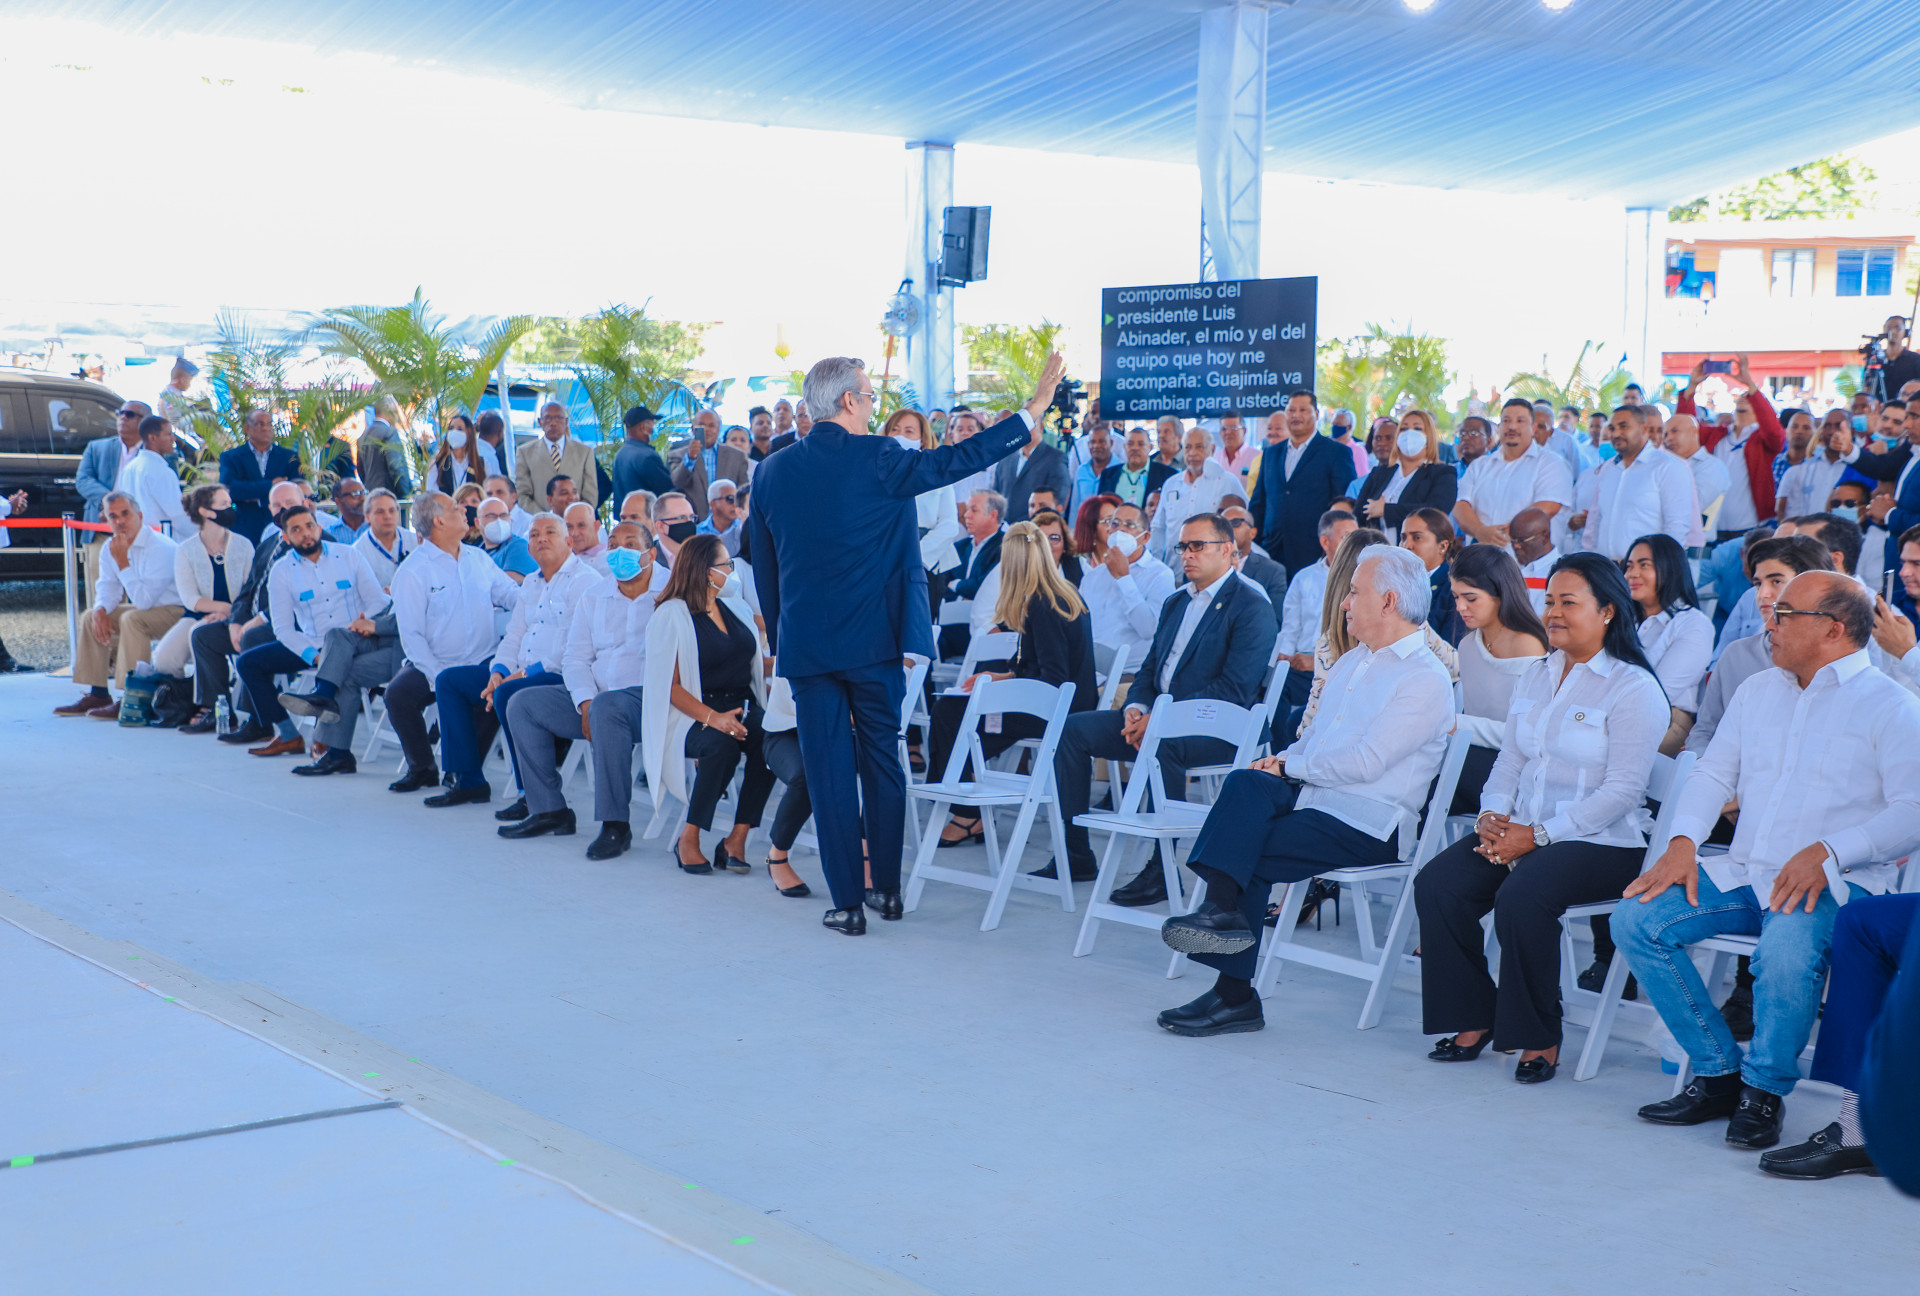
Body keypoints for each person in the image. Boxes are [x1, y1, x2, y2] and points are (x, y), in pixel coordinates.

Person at [748, 352, 1067, 934]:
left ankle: (847, 904)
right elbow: (957, 459)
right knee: (882, 763)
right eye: (870, 396)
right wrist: (1030, 414)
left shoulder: (770, 471)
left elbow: (766, 570)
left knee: (828, 773)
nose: (873, 406)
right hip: (876, 641)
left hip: (808, 646)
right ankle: (888, 891)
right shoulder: (880, 456)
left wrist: (782, 636)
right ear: (849, 401)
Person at [1618, 572, 1920, 1152]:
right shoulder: (1758, 688)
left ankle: (1764, 1091)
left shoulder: (1892, 704)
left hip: (1838, 882)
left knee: (1785, 953)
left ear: (1832, 629)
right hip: (1746, 870)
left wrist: (1832, 850)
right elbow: (1713, 773)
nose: (1769, 623)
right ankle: (1717, 1073)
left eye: (1784, 614)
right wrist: (1682, 842)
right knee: (1637, 919)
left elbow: (1913, 810)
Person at [1152, 546, 1454, 1036]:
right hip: (1317, 799)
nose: (1344, 602)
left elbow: (1366, 763)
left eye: (1354, 592)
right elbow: (1314, 740)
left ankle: (1233, 989)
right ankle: (1221, 917)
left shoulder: (1425, 678)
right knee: (1246, 782)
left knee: (1246, 847)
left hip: (1369, 821)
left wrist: (1289, 764)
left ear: (1389, 601)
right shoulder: (1354, 662)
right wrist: (1281, 762)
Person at [1414, 553, 1667, 1082]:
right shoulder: (1537, 674)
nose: (1552, 612)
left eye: (1568, 602)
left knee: (1522, 896)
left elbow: (1624, 791)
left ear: (1607, 611)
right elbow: (1511, 760)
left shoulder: (1633, 687)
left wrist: (1540, 835)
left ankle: (1538, 1033)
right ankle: (1473, 1015)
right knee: (1439, 884)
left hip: (1603, 843)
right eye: (1549, 601)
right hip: (1522, 830)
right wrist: (1490, 816)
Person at [1051, 513, 1278, 891]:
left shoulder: (1252, 606)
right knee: (1073, 730)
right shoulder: (1176, 602)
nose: (1187, 554)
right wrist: (1136, 708)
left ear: (1227, 550)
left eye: (1197, 546)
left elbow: (1233, 689)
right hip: (1158, 717)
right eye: (1183, 546)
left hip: (1220, 727)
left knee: (1164, 744)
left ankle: (1162, 868)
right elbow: (1150, 668)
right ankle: (1076, 853)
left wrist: (1160, 719)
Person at [500, 522, 672, 858]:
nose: (620, 551)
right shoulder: (595, 595)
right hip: (597, 699)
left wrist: (597, 704)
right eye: (613, 544)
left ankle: (615, 824)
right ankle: (549, 810)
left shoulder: (673, 590)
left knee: (608, 707)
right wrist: (584, 701)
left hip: (650, 701)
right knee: (522, 703)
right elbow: (575, 657)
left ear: (651, 554)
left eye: (630, 544)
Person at [929, 522, 1097, 846]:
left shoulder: (1044, 604)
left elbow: (1053, 679)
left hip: (1055, 712)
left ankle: (965, 809)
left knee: (949, 713)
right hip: (1061, 704)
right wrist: (1001, 678)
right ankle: (966, 794)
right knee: (954, 711)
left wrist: (1000, 691)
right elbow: (1041, 668)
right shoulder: (1059, 593)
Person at [428, 512, 595, 810]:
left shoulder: (585, 581)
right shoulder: (531, 582)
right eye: (534, 535)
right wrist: (498, 671)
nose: (541, 539)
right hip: (516, 674)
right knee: (450, 681)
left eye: (550, 532)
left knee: (508, 692)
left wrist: (521, 675)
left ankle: (529, 793)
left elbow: (575, 647)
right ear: (528, 547)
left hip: (560, 675)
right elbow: (514, 634)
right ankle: (468, 781)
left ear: (569, 542)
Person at [641, 534, 777, 875]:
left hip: (742, 704)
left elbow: (751, 663)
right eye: (725, 564)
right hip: (692, 713)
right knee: (722, 746)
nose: (732, 570)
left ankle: (736, 838)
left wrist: (788, 661)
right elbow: (669, 687)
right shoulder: (671, 615)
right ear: (705, 571)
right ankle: (689, 836)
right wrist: (713, 718)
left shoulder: (735, 606)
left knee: (771, 740)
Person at [384, 491, 522, 793]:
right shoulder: (412, 571)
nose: (465, 511)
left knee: (495, 691)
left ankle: (463, 772)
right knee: (397, 695)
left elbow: (511, 595)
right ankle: (422, 768)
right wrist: (439, 677)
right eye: (456, 508)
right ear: (438, 521)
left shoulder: (478, 558)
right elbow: (412, 637)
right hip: (434, 663)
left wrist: (544, 595)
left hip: (483, 660)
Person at [231, 504, 387, 758]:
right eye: (296, 530)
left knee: (337, 662)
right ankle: (288, 735)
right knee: (248, 663)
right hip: (314, 643)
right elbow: (283, 628)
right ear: (286, 537)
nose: (305, 533)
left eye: (309, 526)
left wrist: (362, 623)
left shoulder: (349, 555)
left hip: (354, 639)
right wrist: (312, 656)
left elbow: (378, 602)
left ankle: (324, 736)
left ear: (319, 528)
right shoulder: (281, 571)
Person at [180, 482, 305, 739]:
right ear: (269, 509)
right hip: (251, 621)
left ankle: (259, 721)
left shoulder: (311, 543)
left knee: (252, 638)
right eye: (277, 505)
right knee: (203, 635)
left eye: (290, 504)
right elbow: (248, 590)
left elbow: (297, 597)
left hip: (287, 626)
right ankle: (219, 710)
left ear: (305, 504)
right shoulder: (268, 543)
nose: (283, 510)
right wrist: (236, 621)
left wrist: (254, 622)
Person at [54, 492, 184, 719]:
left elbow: (143, 601)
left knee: (132, 619)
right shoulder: (110, 547)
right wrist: (101, 609)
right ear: (106, 519)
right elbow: (108, 587)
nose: (120, 521)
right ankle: (98, 693)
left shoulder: (160, 547)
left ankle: (131, 698)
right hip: (148, 609)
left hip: (177, 612)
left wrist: (123, 562)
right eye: (113, 516)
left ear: (139, 516)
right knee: (91, 616)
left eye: (126, 514)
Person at [1447, 544, 1548, 812]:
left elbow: (1530, 738)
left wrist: (1457, 724)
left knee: (1424, 775)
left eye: (1470, 598)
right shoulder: (1468, 646)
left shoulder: (1530, 647)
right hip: (1472, 756)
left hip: (1517, 772)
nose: (1460, 607)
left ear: (1500, 594)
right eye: (1455, 597)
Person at [151, 484, 254, 689]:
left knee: (207, 637)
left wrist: (232, 613)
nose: (230, 509)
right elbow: (190, 598)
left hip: (241, 616)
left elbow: (250, 590)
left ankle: (217, 696)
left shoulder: (244, 545)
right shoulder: (185, 550)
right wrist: (222, 609)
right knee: (164, 659)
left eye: (230, 504)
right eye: (224, 504)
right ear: (205, 512)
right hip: (199, 616)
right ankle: (186, 696)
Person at [1248, 391, 1359, 579]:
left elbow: (1344, 504)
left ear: (1316, 414)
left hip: (1314, 550)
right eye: (1291, 410)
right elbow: (1259, 503)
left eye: (1303, 410)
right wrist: (1255, 543)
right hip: (1271, 548)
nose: (1296, 415)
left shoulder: (1336, 452)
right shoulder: (1271, 454)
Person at [1677, 356, 1785, 541]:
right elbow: (1684, 427)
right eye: (1741, 397)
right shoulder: (1717, 435)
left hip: (1750, 528)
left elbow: (1773, 430)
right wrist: (1692, 386)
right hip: (1711, 528)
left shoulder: (1762, 440)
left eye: (1749, 398)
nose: (1744, 399)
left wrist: (1749, 384)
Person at [1573, 405, 1697, 558]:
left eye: (1623, 427)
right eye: (1612, 428)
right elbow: (1595, 521)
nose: (1616, 433)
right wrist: (1591, 558)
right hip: (1607, 567)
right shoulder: (1608, 469)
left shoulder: (1668, 467)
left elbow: (1676, 527)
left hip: (1647, 569)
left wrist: (1659, 566)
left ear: (1644, 429)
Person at [1453, 398, 1574, 552]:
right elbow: (1461, 505)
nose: (1512, 426)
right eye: (1506, 420)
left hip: (1528, 561)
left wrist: (1499, 535)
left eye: (1520, 421)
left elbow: (1547, 508)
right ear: (1499, 427)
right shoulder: (1479, 466)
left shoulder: (1552, 463)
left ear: (1533, 428)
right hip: (1480, 558)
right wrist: (1479, 531)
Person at [1275, 510, 1358, 729]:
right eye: (1346, 537)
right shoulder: (1304, 577)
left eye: (1355, 536)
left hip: (1342, 667)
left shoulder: (1362, 579)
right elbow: (1291, 627)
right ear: (1325, 542)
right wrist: (1284, 657)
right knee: (1273, 685)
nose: (1353, 543)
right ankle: (1277, 748)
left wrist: (1316, 661)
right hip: (1300, 666)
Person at [1076, 497, 1176, 672]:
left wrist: (1123, 579)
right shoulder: (1092, 577)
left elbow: (1149, 630)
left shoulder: (1160, 575)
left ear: (1145, 537)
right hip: (1087, 670)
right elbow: (1079, 625)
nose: (1120, 530)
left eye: (1129, 525)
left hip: (1129, 674)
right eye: (1114, 524)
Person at [1357, 409, 1456, 543]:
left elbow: (1436, 511)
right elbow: (1359, 512)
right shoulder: (1379, 473)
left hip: (1416, 551)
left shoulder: (1442, 473)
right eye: (1404, 429)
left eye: (1417, 428)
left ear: (1429, 435)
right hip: (1376, 550)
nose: (1409, 434)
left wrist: (1386, 510)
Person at [1148, 424, 1237, 562]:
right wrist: (1156, 563)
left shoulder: (1227, 482)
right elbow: (1158, 528)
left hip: (1211, 568)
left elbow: (1239, 526)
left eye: (1199, 447)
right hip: (1173, 567)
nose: (1192, 453)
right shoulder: (1171, 484)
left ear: (1212, 449)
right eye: (1188, 447)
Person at [938, 489, 1008, 658]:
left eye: (974, 510)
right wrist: (963, 591)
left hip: (987, 630)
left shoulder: (1007, 547)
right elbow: (940, 586)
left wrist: (955, 585)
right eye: (968, 509)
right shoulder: (958, 547)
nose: (966, 515)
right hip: (951, 628)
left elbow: (984, 586)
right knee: (924, 646)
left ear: (993, 515)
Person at [218, 408, 303, 544]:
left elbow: (297, 488)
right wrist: (271, 485)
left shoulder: (288, 457)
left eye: (269, 424)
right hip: (245, 527)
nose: (266, 428)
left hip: (282, 525)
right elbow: (230, 489)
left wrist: (251, 494)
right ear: (247, 428)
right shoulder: (231, 457)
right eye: (260, 424)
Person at [76, 399, 154, 528]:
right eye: (120, 413)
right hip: (101, 526)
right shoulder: (96, 448)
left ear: (146, 422)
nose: (123, 417)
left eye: (130, 414)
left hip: (141, 527)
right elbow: (83, 480)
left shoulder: (154, 453)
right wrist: (110, 501)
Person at [116, 416, 195, 536]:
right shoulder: (162, 471)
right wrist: (199, 535)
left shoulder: (129, 468)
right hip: (163, 539)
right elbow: (176, 514)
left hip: (136, 538)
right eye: (168, 434)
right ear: (152, 438)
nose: (173, 439)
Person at [991, 403, 1070, 525]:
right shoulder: (1006, 458)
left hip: (1037, 529)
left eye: (1031, 423)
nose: (1025, 429)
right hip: (1004, 531)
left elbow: (1059, 500)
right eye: (1022, 424)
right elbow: (995, 497)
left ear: (1041, 427)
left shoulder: (1055, 458)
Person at [515, 403, 598, 512]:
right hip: (540, 518)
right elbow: (522, 494)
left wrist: (576, 515)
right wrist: (544, 517)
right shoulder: (525, 452)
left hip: (575, 518)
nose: (553, 423)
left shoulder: (584, 452)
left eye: (558, 418)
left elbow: (590, 494)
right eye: (548, 418)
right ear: (540, 422)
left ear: (566, 422)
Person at [1399, 507, 1464, 645]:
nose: (1406, 545)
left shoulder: (1454, 588)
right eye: (1403, 538)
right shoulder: (1394, 582)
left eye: (1417, 537)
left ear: (1443, 546)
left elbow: (1452, 647)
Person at [669, 408, 749, 521]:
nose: (707, 429)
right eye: (701, 425)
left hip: (729, 523)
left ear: (719, 428)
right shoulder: (678, 454)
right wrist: (690, 458)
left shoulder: (737, 456)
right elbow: (677, 483)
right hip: (693, 521)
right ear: (693, 428)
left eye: (711, 425)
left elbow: (743, 492)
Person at [1662, 412, 1731, 540]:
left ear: (1693, 432)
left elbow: (1692, 507)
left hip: (1696, 548)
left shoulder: (1711, 467)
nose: (1668, 438)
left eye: (1674, 431)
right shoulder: (1667, 466)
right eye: (1665, 434)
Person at [1777, 409, 1854, 522]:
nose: (1832, 431)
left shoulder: (1860, 469)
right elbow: (1783, 512)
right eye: (1827, 426)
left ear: (1851, 431)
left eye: (1838, 426)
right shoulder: (1800, 470)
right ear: (1821, 432)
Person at [1224, 504, 1287, 610]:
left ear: (1252, 533)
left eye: (1235, 523)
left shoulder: (1272, 571)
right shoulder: (1205, 565)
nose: (1228, 529)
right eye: (1222, 525)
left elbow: (1275, 616)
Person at [1098, 426, 1175, 512]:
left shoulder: (1167, 475)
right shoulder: (1108, 475)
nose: (1135, 448)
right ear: (1124, 447)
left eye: (1141, 444)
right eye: (1130, 444)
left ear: (1150, 447)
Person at [351, 488, 415, 590]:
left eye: (392, 511)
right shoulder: (357, 552)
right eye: (380, 512)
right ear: (367, 517)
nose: (387, 516)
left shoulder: (415, 542)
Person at [611, 404, 674, 504]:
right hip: (644, 511)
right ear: (643, 427)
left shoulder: (620, 454)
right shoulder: (647, 456)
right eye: (652, 425)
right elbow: (666, 490)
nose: (654, 429)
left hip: (625, 511)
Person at [475, 497, 537, 582]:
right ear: (477, 523)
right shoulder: (476, 552)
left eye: (503, 516)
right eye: (491, 516)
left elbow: (505, 585)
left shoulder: (519, 546)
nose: (499, 521)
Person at [1508, 506, 1557, 614]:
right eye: (1513, 540)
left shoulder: (1562, 572)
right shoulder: (1508, 569)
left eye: (1522, 540)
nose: (1516, 546)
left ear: (1545, 536)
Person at [356, 418, 413, 499]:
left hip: (371, 494)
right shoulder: (389, 432)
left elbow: (360, 468)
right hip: (390, 494)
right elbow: (395, 465)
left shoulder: (363, 436)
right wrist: (406, 494)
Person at [1070, 420, 1114, 517]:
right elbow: (1074, 507)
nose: (1096, 446)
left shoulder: (1120, 469)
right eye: (1093, 442)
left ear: (1111, 443)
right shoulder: (1081, 470)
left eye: (1101, 441)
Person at [1029, 509, 1082, 586]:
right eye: (1042, 538)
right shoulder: (1022, 573)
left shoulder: (1080, 566)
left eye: (1054, 538)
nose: (1048, 545)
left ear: (1065, 543)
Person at [697, 479, 744, 556]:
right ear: (713, 503)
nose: (735, 504)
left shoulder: (744, 530)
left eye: (737, 499)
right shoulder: (697, 533)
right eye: (730, 498)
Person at [482, 473, 533, 538]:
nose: (494, 497)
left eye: (499, 492)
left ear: (513, 497)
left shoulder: (529, 523)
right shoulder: (483, 522)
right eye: (489, 494)